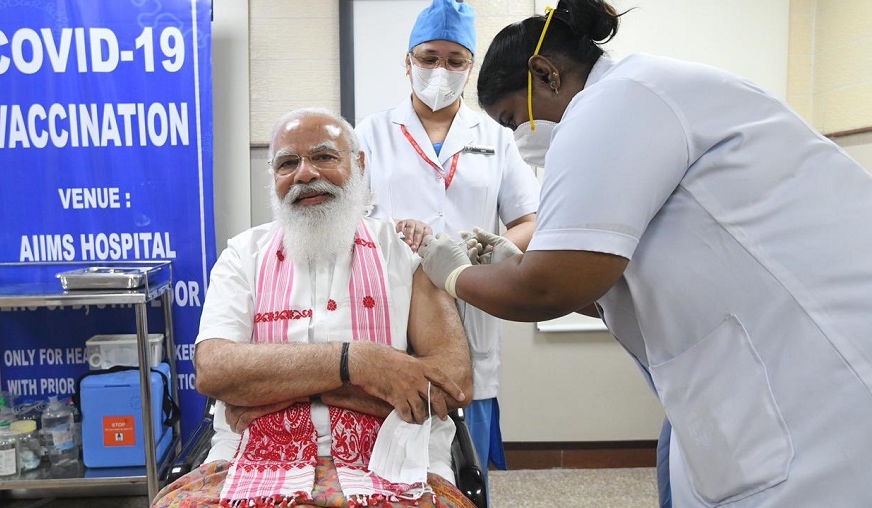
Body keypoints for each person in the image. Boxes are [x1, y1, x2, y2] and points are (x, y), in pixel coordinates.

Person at [416, 0, 872, 506]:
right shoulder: (641, 94)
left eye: (513, 120)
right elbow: (608, 281)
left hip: (813, 378)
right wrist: (512, 265)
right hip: (735, 363)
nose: (520, 139)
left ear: (545, 74)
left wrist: (454, 272)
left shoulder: (615, 102)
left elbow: (549, 288)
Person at [152, 107, 476, 508]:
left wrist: (279, 388)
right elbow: (215, 370)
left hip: (393, 459)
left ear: (358, 164)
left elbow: (452, 381)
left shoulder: (408, 252)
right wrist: (361, 363)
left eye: (324, 156)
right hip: (252, 458)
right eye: (288, 163)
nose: (305, 174)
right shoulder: (242, 255)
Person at [355, 0, 541, 493]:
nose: (441, 70)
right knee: (394, 439)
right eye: (429, 57)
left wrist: (490, 244)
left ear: (470, 66)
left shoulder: (495, 136)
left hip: (474, 297)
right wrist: (392, 232)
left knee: (466, 447)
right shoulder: (371, 133)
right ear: (408, 60)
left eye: (455, 60)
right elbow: (349, 220)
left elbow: (530, 218)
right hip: (394, 299)